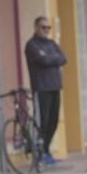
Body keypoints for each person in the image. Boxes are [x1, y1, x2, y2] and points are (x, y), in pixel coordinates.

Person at [24, 16, 67, 165]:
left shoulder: (51, 43)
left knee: (54, 121)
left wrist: (50, 58)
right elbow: (42, 60)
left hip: (55, 86)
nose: (46, 30)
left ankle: (46, 150)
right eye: (43, 27)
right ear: (36, 27)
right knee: (43, 120)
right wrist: (51, 59)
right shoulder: (32, 45)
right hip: (41, 87)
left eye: (49, 28)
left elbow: (63, 58)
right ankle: (40, 152)